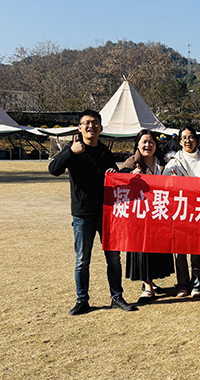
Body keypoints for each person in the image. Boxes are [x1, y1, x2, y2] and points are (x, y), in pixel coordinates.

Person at [48, 110, 136, 315]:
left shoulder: (104, 152)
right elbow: (53, 169)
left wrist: (118, 173)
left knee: (114, 258)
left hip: (107, 214)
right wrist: (71, 152)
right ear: (79, 127)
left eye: (95, 123)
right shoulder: (73, 149)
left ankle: (117, 297)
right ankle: (82, 300)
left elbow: (114, 178)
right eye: (87, 123)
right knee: (82, 260)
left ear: (101, 128)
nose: (91, 126)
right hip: (83, 214)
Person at [120, 129, 175, 301]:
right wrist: (131, 175)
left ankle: (152, 281)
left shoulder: (163, 161)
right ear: (137, 144)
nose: (148, 145)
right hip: (140, 214)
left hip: (159, 212)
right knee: (142, 249)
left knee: (156, 250)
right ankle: (148, 286)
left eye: (151, 142)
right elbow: (119, 176)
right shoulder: (132, 162)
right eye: (144, 142)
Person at [162, 125, 200, 298]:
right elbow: (164, 183)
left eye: (191, 137)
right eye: (184, 138)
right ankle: (182, 283)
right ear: (180, 141)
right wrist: (173, 181)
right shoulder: (173, 161)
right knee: (179, 250)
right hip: (180, 210)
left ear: (196, 140)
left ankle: (196, 283)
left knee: (198, 249)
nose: (188, 141)